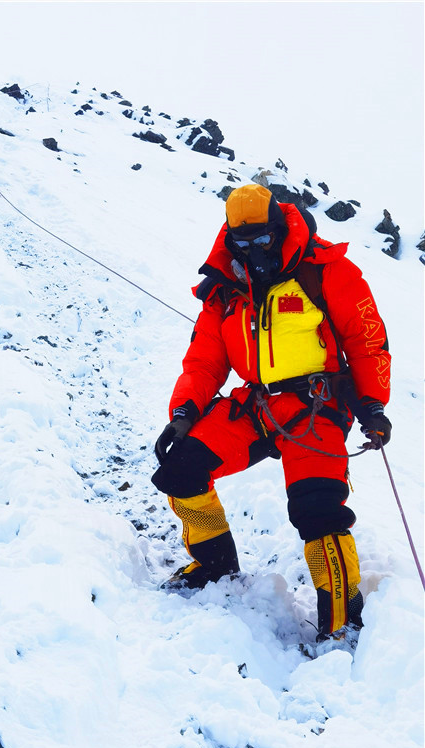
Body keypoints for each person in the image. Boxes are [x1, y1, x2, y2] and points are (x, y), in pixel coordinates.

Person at [151, 183, 392, 649]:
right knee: (182, 470)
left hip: (315, 408)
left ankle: (341, 619)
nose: (254, 251)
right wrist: (183, 413)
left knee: (318, 509)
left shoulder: (327, 271)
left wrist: (373, 406)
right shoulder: (225, 286)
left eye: (263, 239)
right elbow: (204, 360)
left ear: (280, 227)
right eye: (243, 243)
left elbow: (367, 342)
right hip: (254, 406)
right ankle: (215, 567)